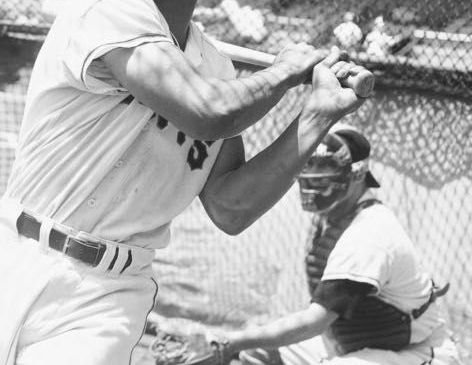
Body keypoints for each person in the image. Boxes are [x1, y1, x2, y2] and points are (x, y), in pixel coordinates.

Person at [0, 0, 367, 364]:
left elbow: (232, 207)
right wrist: (283, 71)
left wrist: (316, 114)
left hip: (110, 292)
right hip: (20, 259)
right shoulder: (105, 1)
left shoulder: (216, 70)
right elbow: (208, 114)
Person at [167, 125, 463, 365]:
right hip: (353, 345)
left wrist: (227, 343)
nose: (311, 189)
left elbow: (314, 322)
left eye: (322, 181)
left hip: (417, 354)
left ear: (357, 175)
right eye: (307, 179)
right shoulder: (333, 217)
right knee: (257, 355)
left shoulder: (369, 235)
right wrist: (238, 346)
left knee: (243, 346)